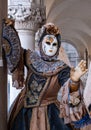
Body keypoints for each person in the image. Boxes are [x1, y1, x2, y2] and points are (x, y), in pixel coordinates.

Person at [2, 18, 90, 130]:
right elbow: (15, 52)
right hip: (23, 112)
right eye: (47, 43)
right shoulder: (30, 57)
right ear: (40, 43)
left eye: (54, 44)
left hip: (50, 114)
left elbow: (70, 91)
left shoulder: (62, 68)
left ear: (58, 47)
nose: (50, 48)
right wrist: (10, 30)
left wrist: (75, 80)